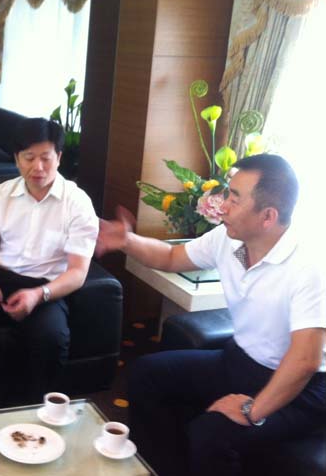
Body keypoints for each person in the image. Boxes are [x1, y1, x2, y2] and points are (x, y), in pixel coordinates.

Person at [95, 154, 326, 476]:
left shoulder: (310, 266)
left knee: (211, 434)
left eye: (235, 198)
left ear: (268, 216)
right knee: (147, 373)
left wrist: (251, 410)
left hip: (302, 388)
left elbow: (304, 361)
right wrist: (126, 240)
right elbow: (172, 256)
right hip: (240, 360)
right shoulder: (228, 239)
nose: (223, 206)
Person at [0, 118, 98, 407]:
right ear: (17, 159)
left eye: (46, 158)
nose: (37, 167)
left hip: (47, 286)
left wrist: (38, 295)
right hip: (1, 276)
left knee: (51, 336)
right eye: (29, 158)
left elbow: (78, 272)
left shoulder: (77, 203)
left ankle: (32, 409)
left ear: (59, 158)